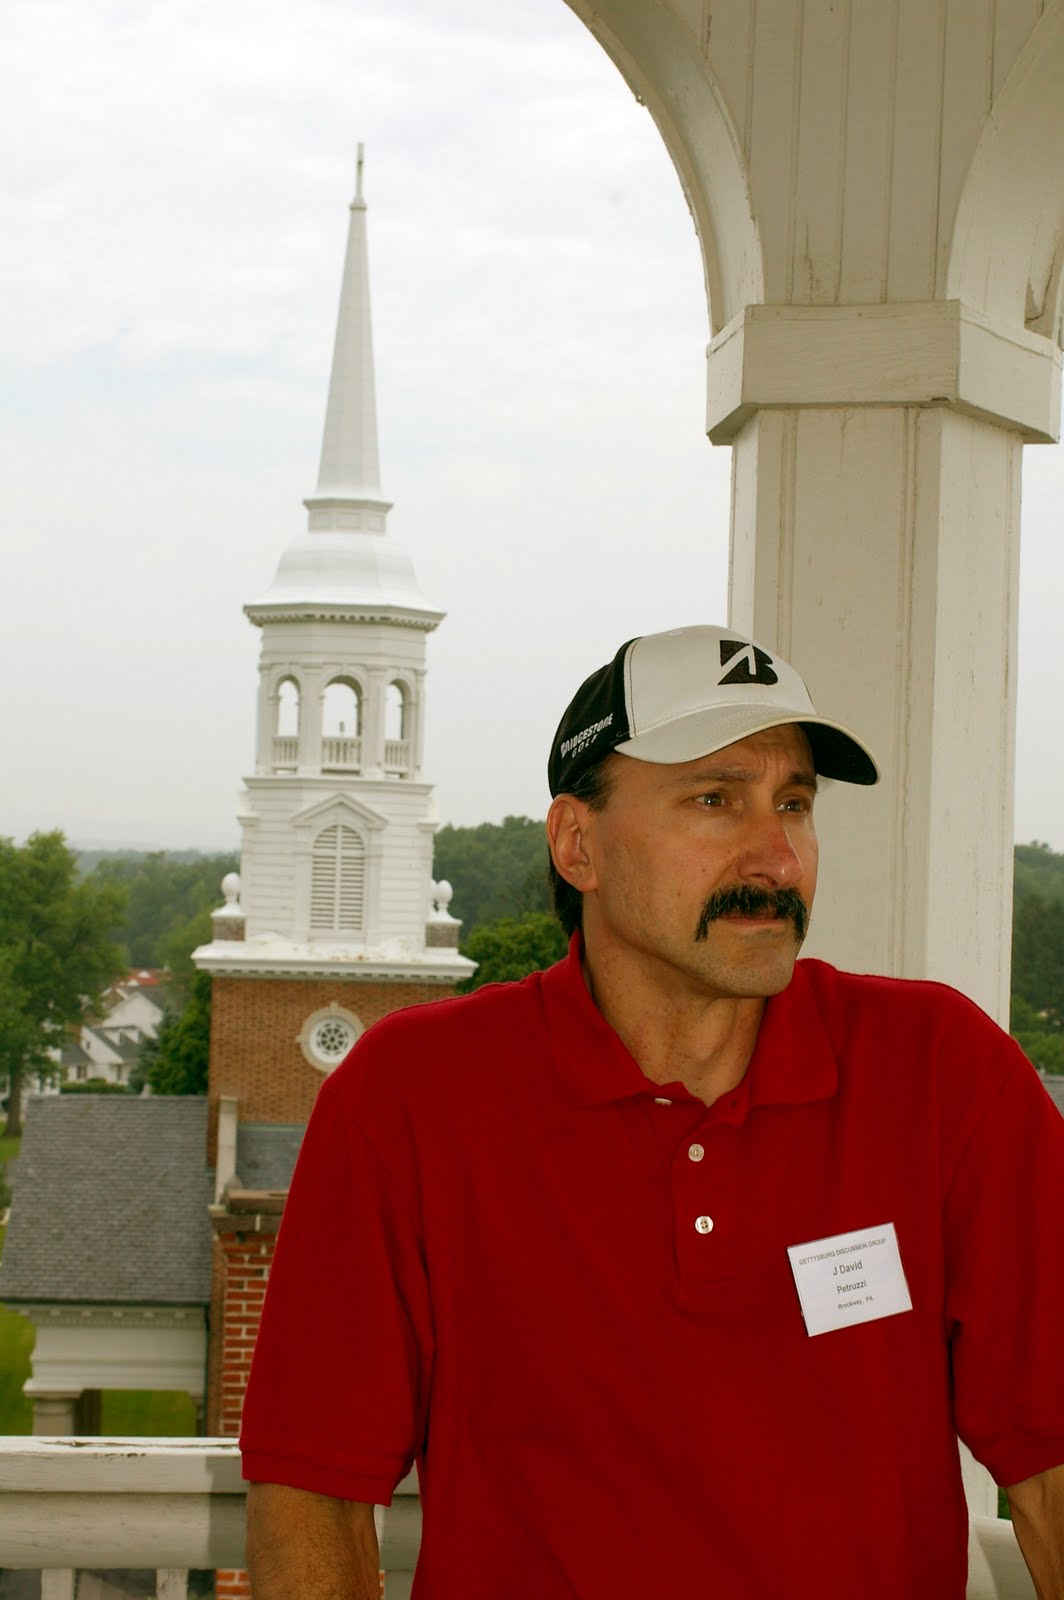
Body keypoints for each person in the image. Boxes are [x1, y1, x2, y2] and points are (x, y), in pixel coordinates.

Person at [242, 624, 1064, 1599]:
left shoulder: (938, 1069)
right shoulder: (410, 1095)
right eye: (714, 799)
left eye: (792, 802)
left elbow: (1050, 1462)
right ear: (576, 842)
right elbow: (312, 1490)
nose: (776, 853)